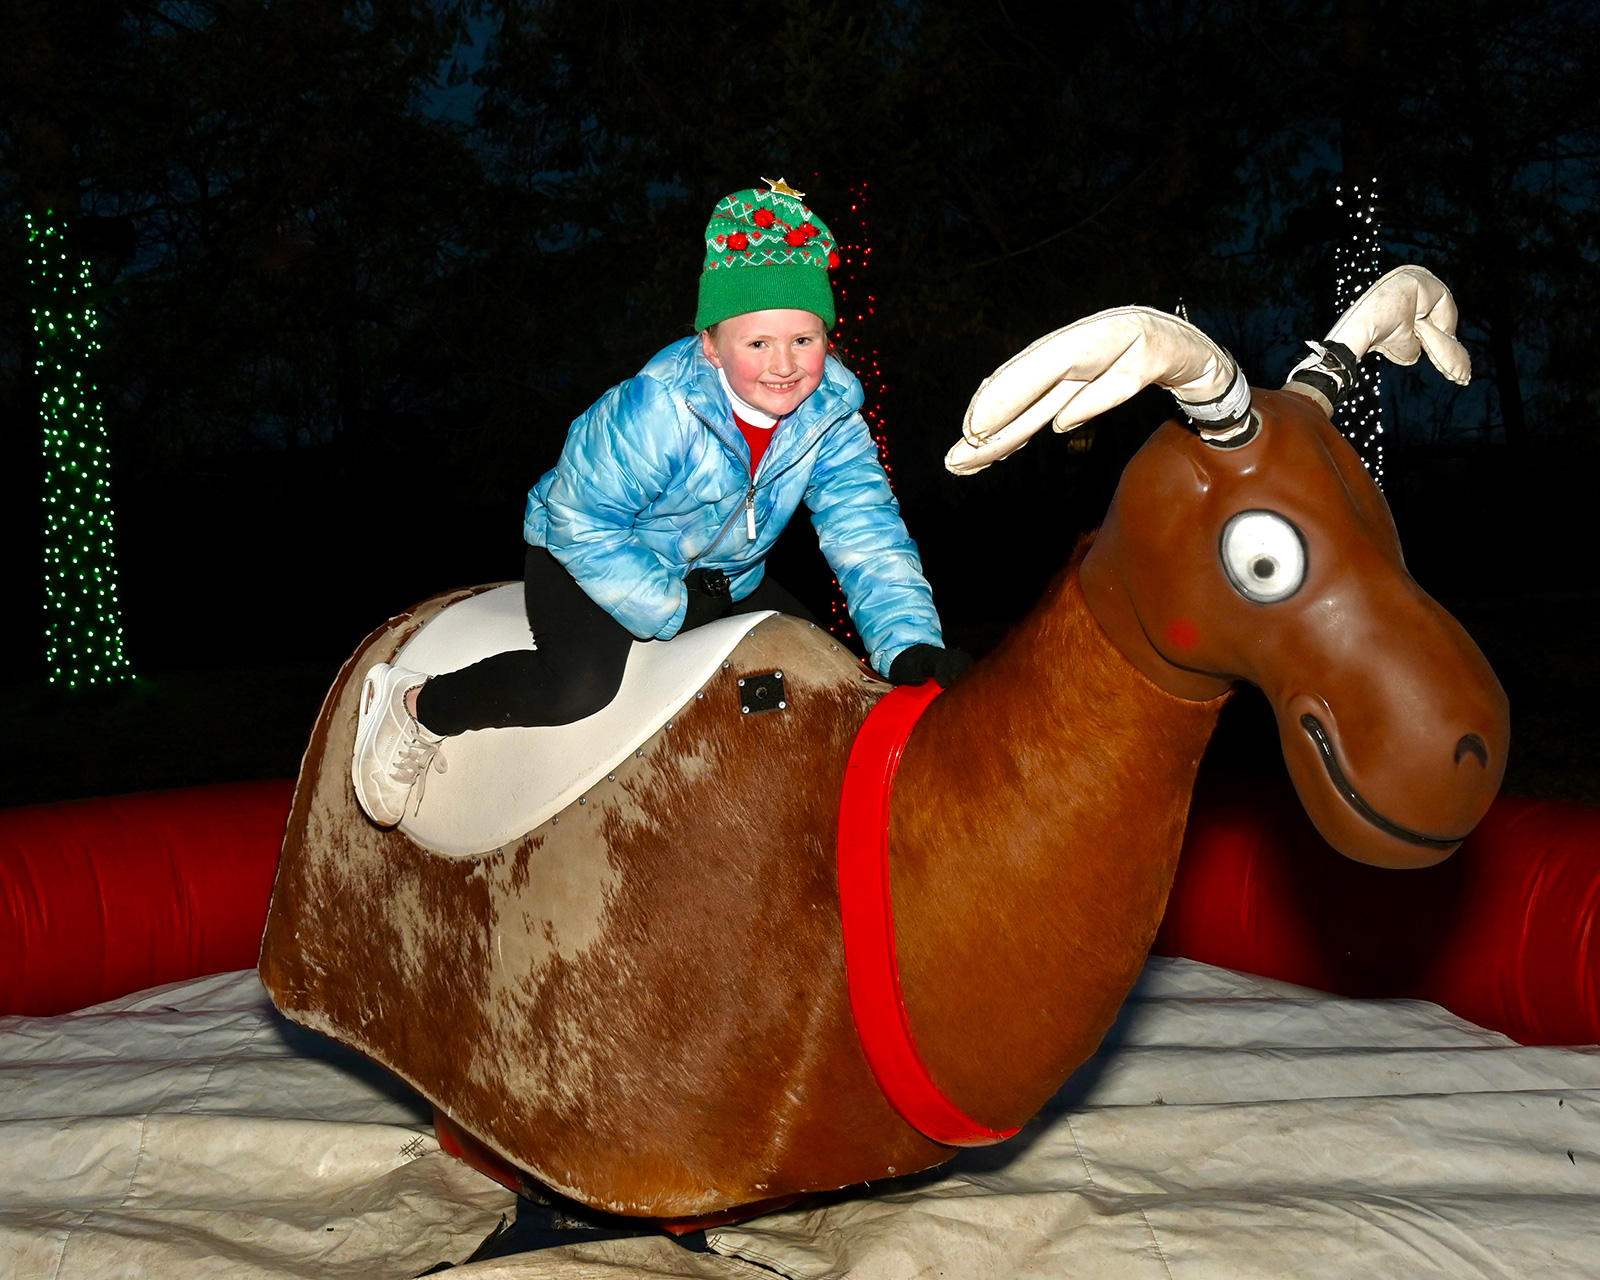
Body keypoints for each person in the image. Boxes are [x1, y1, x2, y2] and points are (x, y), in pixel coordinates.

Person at [352, 179, 969, 827]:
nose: (784, 364)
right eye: (757, 343)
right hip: (583, 553)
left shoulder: (832, 418)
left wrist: (908, 645)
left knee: (822, 671)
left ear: (827, 339)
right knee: (578, 687)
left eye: (803, 340)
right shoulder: (657, 409)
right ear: (712, 344)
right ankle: (417, 708)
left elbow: (866, 532)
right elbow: (580, 522)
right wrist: (671, 605)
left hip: (718, 575)